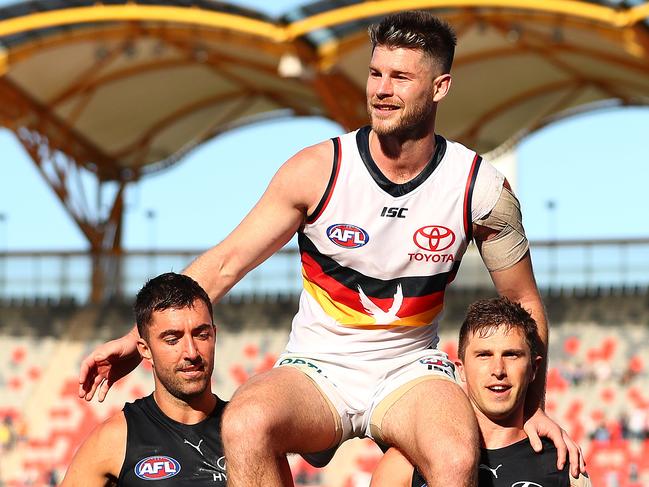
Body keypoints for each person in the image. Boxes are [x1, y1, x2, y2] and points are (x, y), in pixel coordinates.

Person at [78, 11, 582, 486]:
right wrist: (129, 337)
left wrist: (533, 408)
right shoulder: (318, 170)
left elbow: (523, 303)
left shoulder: (480, 188)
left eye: (401, 78)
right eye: (375, 73)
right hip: (317, 370)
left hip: (408, 369)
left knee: (454, 453)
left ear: (440, 87)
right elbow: (227, 262)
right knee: (246, 422)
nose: (382, 90)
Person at [370, 297, 591, 487]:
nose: (498, 370)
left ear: (534, 368)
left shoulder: (562, 465)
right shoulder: (407, 462)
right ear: (461, 370)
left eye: (512, 355)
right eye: (484, 355)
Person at [62, 273, 228, 486]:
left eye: (201, 335)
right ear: (145, 350)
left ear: (214, 335)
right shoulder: (115, 439)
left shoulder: (249, 432)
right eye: (172, 339)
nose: (191, 352)